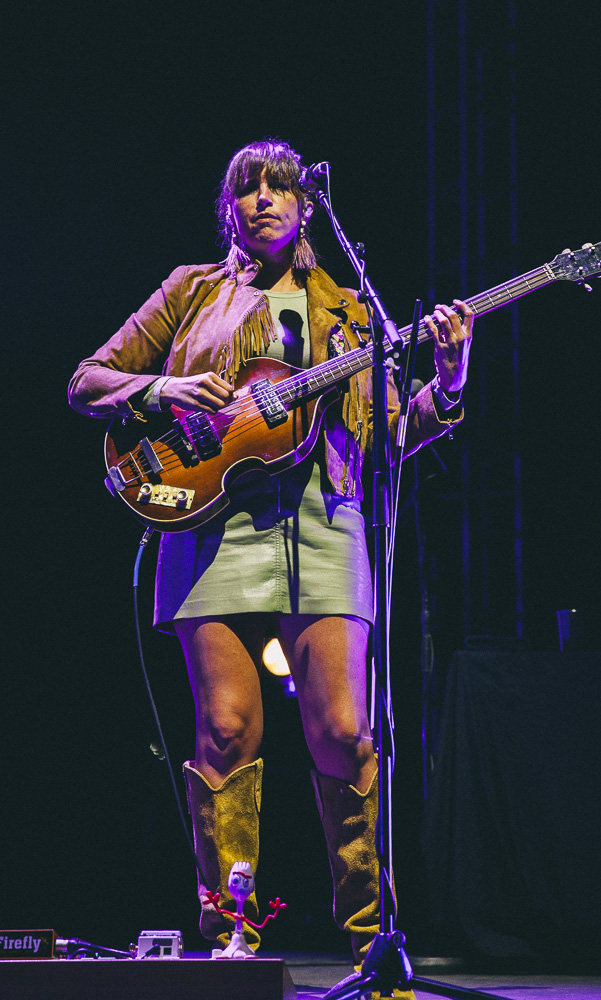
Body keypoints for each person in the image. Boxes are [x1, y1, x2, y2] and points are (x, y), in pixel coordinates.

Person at [68, 139, 473, 993]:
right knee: (224, 730)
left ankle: (370, 939)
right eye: (246, 188)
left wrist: (448, 376)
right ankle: (230, 937)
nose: (262, 200)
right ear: (228, 208)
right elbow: (87, 380)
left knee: (343, 732)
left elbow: (394, 433)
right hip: (207, 521)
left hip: (325, 522)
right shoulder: (190, 291)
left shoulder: (350, 311)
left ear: (308, 206)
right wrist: (164, 391)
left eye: (280, 186)